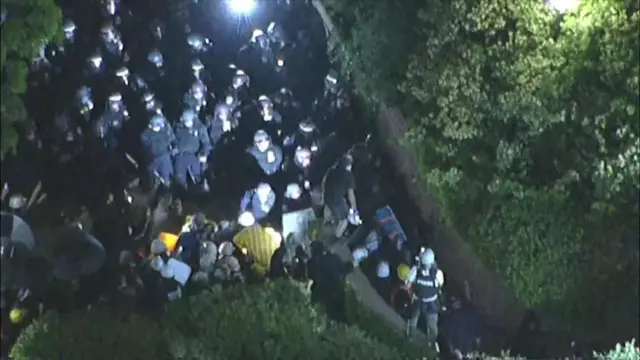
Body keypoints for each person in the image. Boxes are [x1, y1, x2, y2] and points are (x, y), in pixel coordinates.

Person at [405, 248, 445, 347]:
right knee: (432, 324)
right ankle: (431, 344)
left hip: (418, 300)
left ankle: (410, 337)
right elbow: (440, 285)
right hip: (432, 302)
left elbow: (407, 284)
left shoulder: (415, 270)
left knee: (413, 319)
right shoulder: (438, 273)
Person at [173, 109, 211, 191]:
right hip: (181, 156)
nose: (187, 123)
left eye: (189, 121)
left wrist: (204, 153)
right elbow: (173, 140)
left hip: (194, 156)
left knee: (197, 178)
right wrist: (174, 149)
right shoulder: (178, 127)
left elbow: (206, 143)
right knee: (179, 179)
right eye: (185, 121)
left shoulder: (200, 128)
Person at [322, 154, 358, 238]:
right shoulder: (348, 175)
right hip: (336, 200)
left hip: (326, 197)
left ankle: (325, 226)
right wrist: (354, 208)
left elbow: (324, 182)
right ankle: (336, 238)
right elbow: (351, 194)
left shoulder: (332, 170)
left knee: (329, 213)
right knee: (344, 221)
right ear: (348, 165)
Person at [140, 115, 175, 186]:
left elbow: (172, 139)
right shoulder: (146, 134)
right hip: (153, 158)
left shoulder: (166, 132)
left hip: (164, 157)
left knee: (166, 177)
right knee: (151, 177)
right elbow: (145, 145)